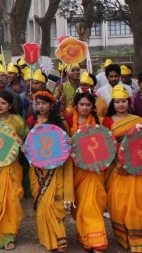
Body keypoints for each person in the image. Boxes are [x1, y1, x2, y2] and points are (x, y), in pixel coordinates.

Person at [26, 89, 73, 253]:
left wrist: (69, 142)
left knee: (55, 202)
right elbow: (29, 143)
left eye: (44, 103)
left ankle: (60, 238)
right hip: (37, 169)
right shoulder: (32, 120)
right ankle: (47, 237)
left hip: (55, 168)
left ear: (52, 104)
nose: (41, 106)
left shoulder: (60, 121)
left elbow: (67, 143)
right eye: (38, 103)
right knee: (41, 203)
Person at [63, 91, 107, 253]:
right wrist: (68, 140)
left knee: (92, 203)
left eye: (88, 105)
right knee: (79, 204)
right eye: (81, 104)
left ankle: (97, 241)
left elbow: (108, 144)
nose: (85, 107)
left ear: (92, 106)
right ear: (76, 105)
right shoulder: (67, 121)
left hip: (94, 170)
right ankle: (85, 235)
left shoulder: (100, 122)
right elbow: (60, 141)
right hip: (75, 169)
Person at [0, 91, 28, 250]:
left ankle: (9, 235)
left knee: (11, 199)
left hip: (12, 166)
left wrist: (21, 141)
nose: (0, 106)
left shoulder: (18, 121)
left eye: (3, 103)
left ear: (10, 105)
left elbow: (28, 142)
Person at [102, 85, 142, 252]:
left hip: (136, 168)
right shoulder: (107, 121)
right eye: (117, 101)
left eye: (123, 101)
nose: (120, 105)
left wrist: (132, 163)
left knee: (136, 203)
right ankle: (123, 238)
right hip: (117, 168)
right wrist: (120, 163)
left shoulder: (138, 120)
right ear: (113, 103)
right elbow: (105, 146)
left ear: (129, 102)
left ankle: (137, 240)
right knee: (119, 204)